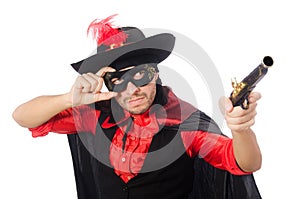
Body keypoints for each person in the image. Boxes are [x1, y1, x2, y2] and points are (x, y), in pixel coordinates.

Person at [12, 14, 262, 199]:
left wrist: (241, 129)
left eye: (140, 75)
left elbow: (245, 163)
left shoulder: (185, 123)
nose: (132, 90)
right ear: (106, 82)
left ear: (155, 74)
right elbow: (22, 116)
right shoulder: (93, 116)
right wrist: (69, 99)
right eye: (119, 80)